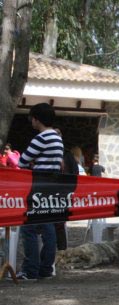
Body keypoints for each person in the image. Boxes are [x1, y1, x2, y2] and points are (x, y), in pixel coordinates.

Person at [17, 103, 64, 280]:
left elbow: (22, 161)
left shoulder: (41, 138)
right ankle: (45, 268)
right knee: (48, 227)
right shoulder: (57, 138)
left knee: (28, 228)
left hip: (37, 186)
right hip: (51, 186)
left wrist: (32, 163)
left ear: (36, 119)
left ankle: (30, 269)